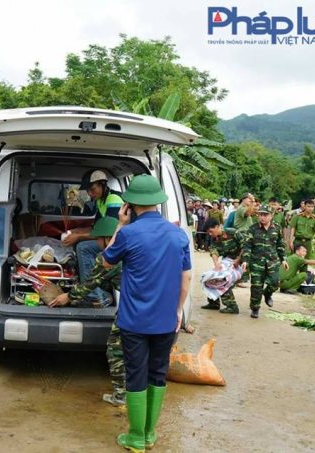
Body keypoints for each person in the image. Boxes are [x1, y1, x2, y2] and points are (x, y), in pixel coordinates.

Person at [101, 175, 191, 452]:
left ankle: (136, 437)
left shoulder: (128, 234)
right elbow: (186, 277)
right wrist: (177, 311)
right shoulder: (178, 234)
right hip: (166, 320)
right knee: (157, 373)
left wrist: (119, 224)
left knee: (136, 374)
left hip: (134, 321)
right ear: (157, 203)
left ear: (130, 204)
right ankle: (150, 434)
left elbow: (106, 262)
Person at [48, 217, 126, 407]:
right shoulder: (130, 251)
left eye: (98, 239)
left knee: (115, 350)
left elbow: (90, 284)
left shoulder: (108, 259)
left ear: (107, 239)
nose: (96, 243)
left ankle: (122, 395)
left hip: (132, 310)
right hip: (155, 306)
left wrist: (67, 296)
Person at [63, 169, 123, 304]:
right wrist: (77, 231)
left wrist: (79, 237)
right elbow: (96, 228)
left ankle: (94, 296)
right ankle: (94, 291)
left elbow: (108, 232)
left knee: (84, 247)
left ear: (103, 184)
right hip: (109, 239)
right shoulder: (100, 201)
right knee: (79, 243)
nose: (90, 194)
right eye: (88, 191)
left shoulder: (114, 199)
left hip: (118, 242)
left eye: (92, 189)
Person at [241, 204, 288, 318]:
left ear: (271, 215)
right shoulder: (253, 228)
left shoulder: (276, 228)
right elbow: (247, 245)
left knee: (275, 283)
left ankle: (267, 294)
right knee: (256, 286)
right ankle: (255, 308)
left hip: (272, 261)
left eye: (265, 215)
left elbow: (280, 245)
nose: (262, 217)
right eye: (260, 214)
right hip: (257, 262)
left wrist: (284, 259)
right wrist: (245, 260)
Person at [203, 218, 246, 314]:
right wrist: (216, 264)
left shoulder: (233, 233)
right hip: (228, 261)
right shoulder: (214, 238)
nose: (210, 234)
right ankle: (213, 302)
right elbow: (214, 251)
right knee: (211, 275)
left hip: (242, 261)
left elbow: (245, 246)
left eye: (211, 231)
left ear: (217, 227)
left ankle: (232, 306)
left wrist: (238, 260)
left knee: (223, 279)